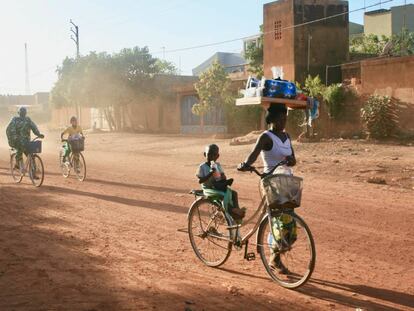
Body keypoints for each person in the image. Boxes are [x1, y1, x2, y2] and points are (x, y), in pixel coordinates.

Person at [238, 104, 296, 274]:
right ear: (272, 119)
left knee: (289, 222)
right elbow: (253, 155)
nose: (283, 121)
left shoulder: (287, 136)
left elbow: (293, 158)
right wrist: (245, 165)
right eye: (280, 118)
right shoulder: (265, 137)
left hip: (287, 183)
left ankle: (275, 255)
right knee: (277, 219)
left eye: (285, 118)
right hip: (270, 182)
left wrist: (291, 160)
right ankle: (274, 257)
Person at [196, 144, 245, 220]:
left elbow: (222, 175)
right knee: (222, 195)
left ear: (217, 156)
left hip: (218, 185)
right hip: (209, 187)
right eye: (209, 154)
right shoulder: (202, 166)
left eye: (214, 155)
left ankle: (237, 209)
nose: (212, 157)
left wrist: (223, 177)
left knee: (234, 193)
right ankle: (232, 210)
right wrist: (210, 173)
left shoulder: (217, 165)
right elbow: (200, 181)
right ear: (205, 154)